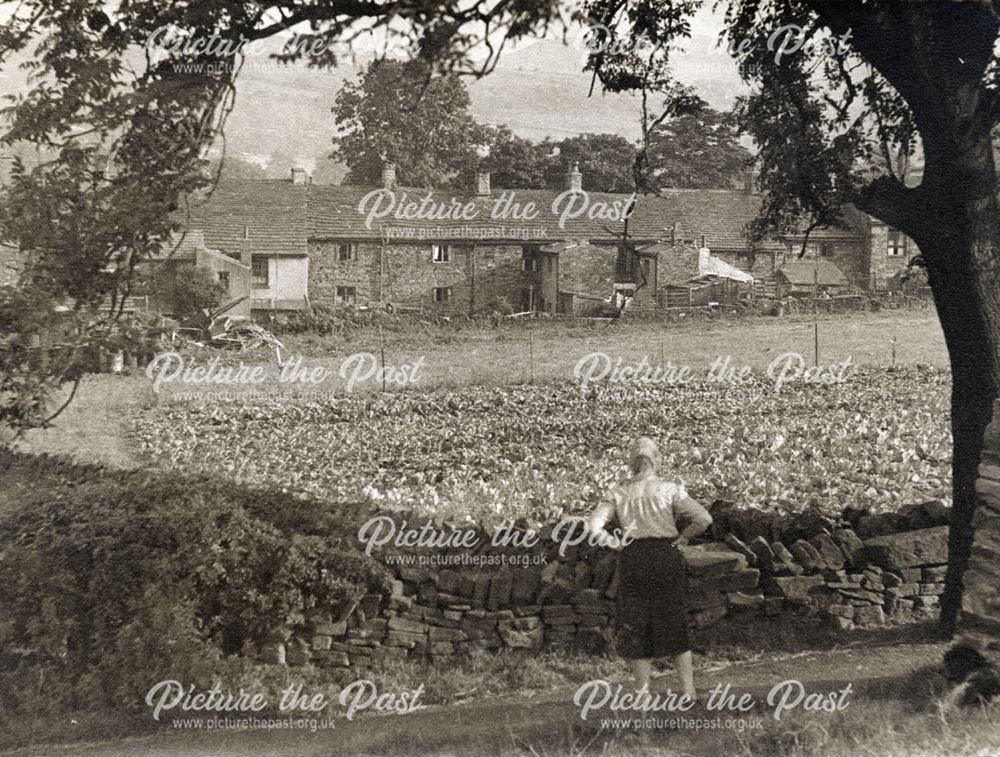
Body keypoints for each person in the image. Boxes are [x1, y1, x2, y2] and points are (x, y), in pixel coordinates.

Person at [588, 437, 713, 699]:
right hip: (666, 556)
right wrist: (684, 537)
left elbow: (592, 527)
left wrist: (615, 543)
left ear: (631, 463)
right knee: (674, 618)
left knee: (636, 623)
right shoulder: (670, 489)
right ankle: (688, 691)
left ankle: (642, 695)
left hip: (634, 558)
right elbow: (703, 518)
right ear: (656, 460)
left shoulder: (619, 493)